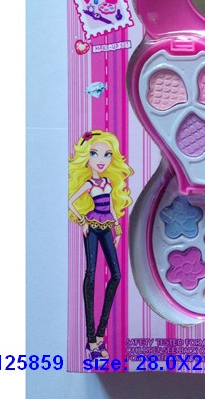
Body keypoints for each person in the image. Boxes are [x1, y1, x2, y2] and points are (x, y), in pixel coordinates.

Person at [68, 130, 133, 358]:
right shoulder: (88, 184)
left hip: (106, 228)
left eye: (107, 155)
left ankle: (99, 334)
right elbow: (71, 202)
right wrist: (82, 221)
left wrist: (117, 229)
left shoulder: (107, 182)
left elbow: (113, 208)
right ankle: (91, 340)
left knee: (116, 275)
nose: (101, 160)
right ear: (87, 157)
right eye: (95, 154)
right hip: (92, 228)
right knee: (91, 274)